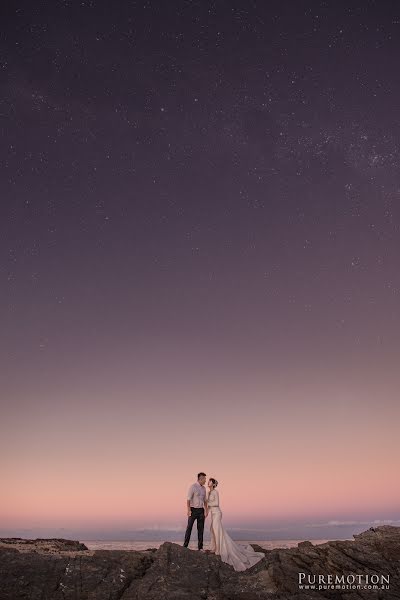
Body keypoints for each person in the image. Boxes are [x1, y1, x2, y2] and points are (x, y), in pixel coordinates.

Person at [207, 477, 265, 571]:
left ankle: (218, 549)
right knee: (213, 530)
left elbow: (216, 503)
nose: (208, 482)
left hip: (217, 513)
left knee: (217, 530)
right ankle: (215, 547)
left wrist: (208, 503)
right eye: (208, 481)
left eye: (210, 481)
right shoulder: (209, 492)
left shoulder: (215, 492)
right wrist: (206, 512)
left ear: (213, 484)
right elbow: (209, 506)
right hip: (212, 514)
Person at [183, 472, 208, 551]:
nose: (205, 481)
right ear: (200, 479)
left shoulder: (204, 489)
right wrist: (188, 510)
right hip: (193, 510)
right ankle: (185, 546)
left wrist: (206, 510)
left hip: (201, 510)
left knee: (201, 529)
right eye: (204, 479)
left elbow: (205, 501)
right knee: (189, 527)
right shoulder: (193, 487)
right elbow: (188, 499)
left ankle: (200, 548)